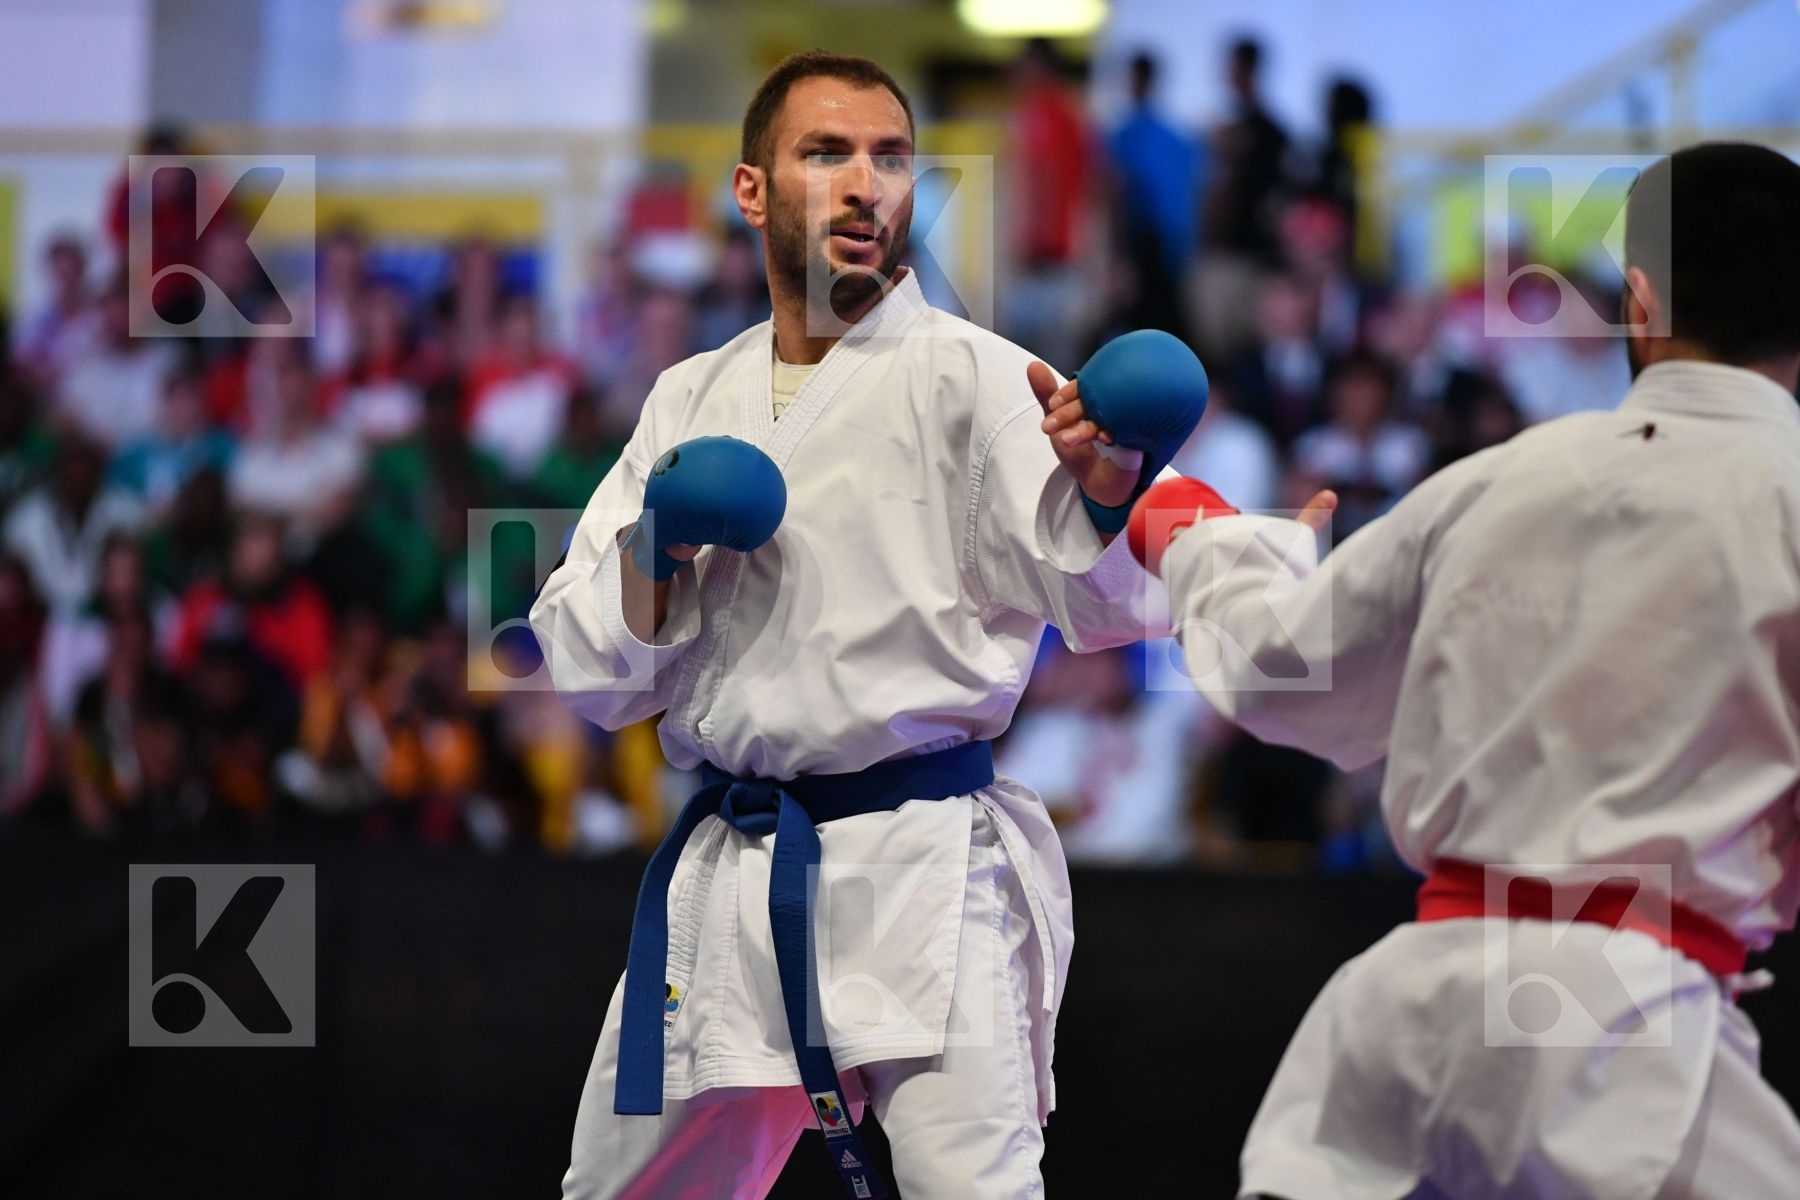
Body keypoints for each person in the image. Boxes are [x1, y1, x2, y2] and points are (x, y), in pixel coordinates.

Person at [531, 50, 1198, 1199]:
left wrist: (1108, 488)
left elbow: (1101, 606)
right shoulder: (689, 397)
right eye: (826, 153)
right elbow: (590, 669)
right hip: (735, 866)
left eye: (890, 157)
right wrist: (661, 546)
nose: (865, 185)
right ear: (751, 190)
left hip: (923, 863)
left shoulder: (981, 379)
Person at [1129, 142, 1800, 1199]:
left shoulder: (1490, 480)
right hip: (1631, 1042)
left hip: (1407, 1025)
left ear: (1639, 300)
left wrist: (1179, 521)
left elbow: (1274, 670)